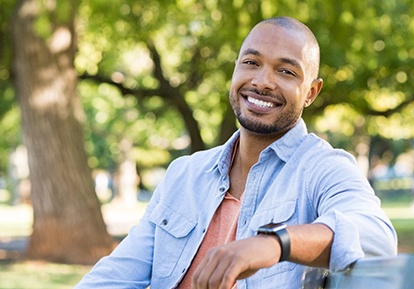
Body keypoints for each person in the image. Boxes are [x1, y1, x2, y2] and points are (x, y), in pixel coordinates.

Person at [74, 16, 397, 289]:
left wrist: (274, 244)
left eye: (286, 71)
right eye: (251, 63)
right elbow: (115, 276)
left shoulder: (323, 168)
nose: (262, 81)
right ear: (235, 70)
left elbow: (376, 239)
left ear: (311, 92)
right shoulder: (184, 174)